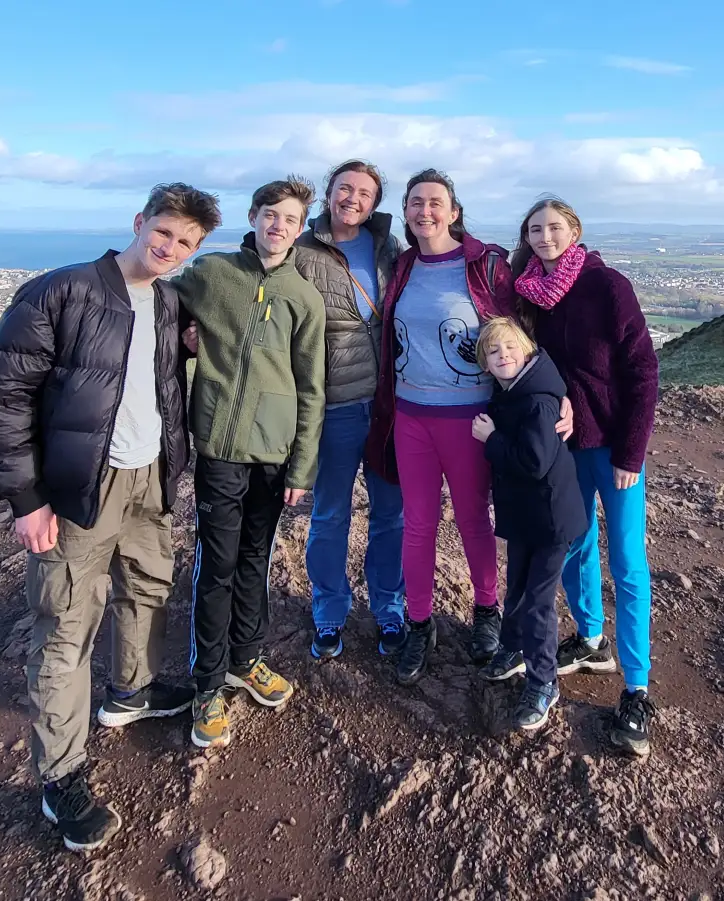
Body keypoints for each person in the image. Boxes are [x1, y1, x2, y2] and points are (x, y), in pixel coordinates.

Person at [0, 183, 222, 851]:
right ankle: (62, 776)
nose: (169, 248)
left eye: (186, 242)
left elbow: (150, 379)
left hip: (150, 477)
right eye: (162, 232)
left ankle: (132, 692)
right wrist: (25, 499)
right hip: (79, 486)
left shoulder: (169, 302)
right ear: (139, 223)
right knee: (65, 627)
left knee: (146, 588)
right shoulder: (60, 292)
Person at [363, 169, 573, 687]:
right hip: (410, 415)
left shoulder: (486, 265)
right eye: (415, 203)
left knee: (474, 521)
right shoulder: (404, 265)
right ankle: (418, 623)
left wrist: (557, 391)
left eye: (436, 202)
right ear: (406, 212)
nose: (424, 211)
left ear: (454, 212)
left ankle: (485, 613)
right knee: (418, 524)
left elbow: (527, 327)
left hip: (471, 418)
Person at [175, 176, 326, 749]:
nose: (278, 226)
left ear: (299, 227)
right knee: (216, 565)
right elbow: (161, 310)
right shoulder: (212, 275)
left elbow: (312, 386)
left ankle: (248, 656)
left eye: (289, 219)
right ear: (254, 215)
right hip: (219, 446)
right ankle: (207, 683)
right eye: (270, 214)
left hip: (274, 454)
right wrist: (187, 336)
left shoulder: (302, 298)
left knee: (255, 561)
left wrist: (301, 467)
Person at [509, 197, 660, 756]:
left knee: (627, 562)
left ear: (574, 231)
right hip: (564, 447)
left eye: (554, 227)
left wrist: (631, 453)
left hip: (614, 448)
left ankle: (637, 688)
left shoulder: (608, 285)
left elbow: (643, 370)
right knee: (572, 546)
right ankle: (591, 637)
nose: (545, 236)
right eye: (534, 229)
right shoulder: (530, 294)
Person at [292, 160, 407, 661]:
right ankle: (329, 611)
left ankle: (389, 607)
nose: (353, 199)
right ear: (329, 192)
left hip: (388, 406)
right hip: (334, 404)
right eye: (345, 189)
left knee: (391, 514)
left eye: (364, 192)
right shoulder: (301, 250)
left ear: (375, 202)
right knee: (330, 513)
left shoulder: (389, 248)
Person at [471, 318, 587, 731]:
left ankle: (543, 681)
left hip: (551, 520)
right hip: (526, 515)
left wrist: (492, 440)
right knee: (516, 588)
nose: (503, 356)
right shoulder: (510, 392)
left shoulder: (536, 400)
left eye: (509, 349)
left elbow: (534, 462)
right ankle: (513, 648)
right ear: (484, 362)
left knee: (538, 603)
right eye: (493, 351)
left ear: (526, 352)